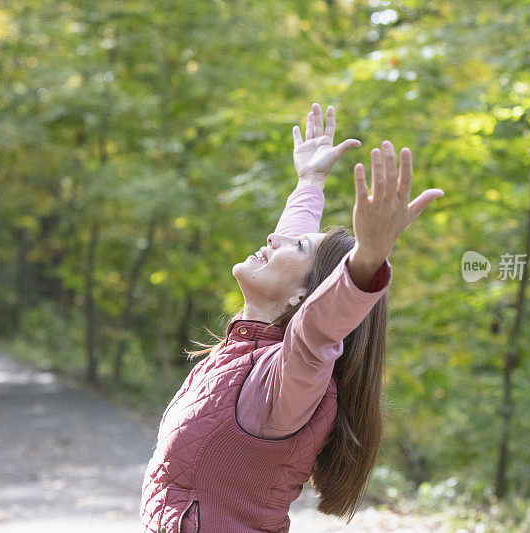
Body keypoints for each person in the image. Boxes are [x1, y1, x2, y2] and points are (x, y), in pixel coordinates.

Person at [140, 103, 444, 532]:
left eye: (296, 248)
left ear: (305, 296)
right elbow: (291, 245)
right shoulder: (245, 352)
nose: (272, 239)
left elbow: (317, 328)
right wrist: (310, 181)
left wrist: (369, 257)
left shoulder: (285, 381)